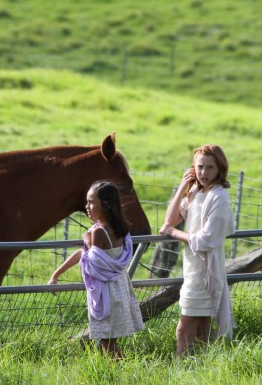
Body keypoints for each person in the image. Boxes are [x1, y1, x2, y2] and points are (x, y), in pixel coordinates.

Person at [48, 180, 144, 358]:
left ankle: (121, 375)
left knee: (108, 343)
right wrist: (57, 273)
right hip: (120, 288)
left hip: (105, 294)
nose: (87, 206)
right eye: (87, 202)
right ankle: (120, 373)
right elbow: (87, 254)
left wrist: (87, 241)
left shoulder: (98, 232)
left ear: (105, 205)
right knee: (110, 341)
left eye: (92, 202)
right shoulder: (120, 228)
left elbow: (93, 262)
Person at [159, 144, 234, 357]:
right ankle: (200, 368)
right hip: (192, 267)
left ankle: (179, 367)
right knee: (201, 327)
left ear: (220, 168)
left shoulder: (219, 198)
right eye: (199, 167)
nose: (204, 173)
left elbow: (207, 239)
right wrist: (184, 183)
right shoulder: (195, 192)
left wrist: (174, 234)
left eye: (210, 167)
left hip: (205, 272)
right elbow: (170, 220)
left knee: (184, 328)